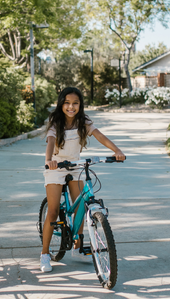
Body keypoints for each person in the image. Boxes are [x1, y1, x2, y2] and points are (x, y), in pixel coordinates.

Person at [40, 87, 126, 273]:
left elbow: (99, 135)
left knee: (81, 207)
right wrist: (49, 160)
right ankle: (45, 253)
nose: (71, 107)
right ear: (61, 103)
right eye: (67, 103)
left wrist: (116, 150)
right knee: (53, 211)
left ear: (80, 105)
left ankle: (78, 248)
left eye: (75, 103)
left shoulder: (83, 121)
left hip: (75, 164)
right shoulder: (56, 121)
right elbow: (51, 141)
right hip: (56, 167)